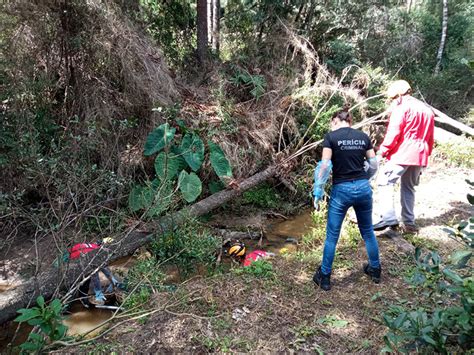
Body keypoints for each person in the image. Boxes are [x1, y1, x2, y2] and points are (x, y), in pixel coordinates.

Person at [312, 108, 381, 291]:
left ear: (336, 120)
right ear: (349, 120)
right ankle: (375, 269)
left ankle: (325, 277)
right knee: (367, 231)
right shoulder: (363, 136)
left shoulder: (331, 137)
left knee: (332, 236)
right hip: (363, 188)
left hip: (341, 190)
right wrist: (366, 178)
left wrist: (318, 189)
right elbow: (374, 164)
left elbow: (325, 165)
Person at [372, 80, 435, 233]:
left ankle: (388, 219)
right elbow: (430, 137)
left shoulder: (402, 108)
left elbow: (394, 132)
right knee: (409, 187)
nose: (392, 102)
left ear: (398, 96)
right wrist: (426, 155)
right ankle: (409, 224)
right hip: (420, 154)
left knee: (384, 182)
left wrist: (383, 151)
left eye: (393, 99)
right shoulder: (427, 110)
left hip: (403, 153)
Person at [68, 238, 121, 305]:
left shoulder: (95, 248)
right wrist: (98, 293)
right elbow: (95, 275)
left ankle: (114, 283)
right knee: (86, 281)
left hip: (84, 258)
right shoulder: (95, 250)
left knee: (101, 269)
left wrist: (113, 280)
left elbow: (104, 267)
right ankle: (84, 299)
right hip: (81, 262)